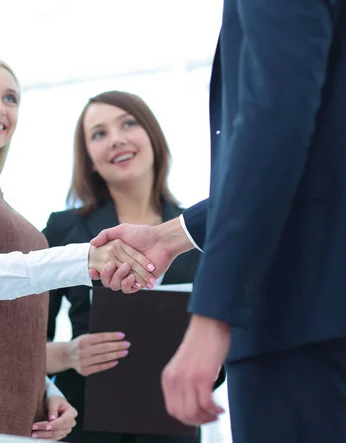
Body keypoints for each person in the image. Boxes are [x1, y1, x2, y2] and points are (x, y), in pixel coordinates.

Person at [90, 1, 346, 442]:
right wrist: (171, 237)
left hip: (291, 300)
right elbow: (332, 145)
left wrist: (214, 317)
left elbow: (275, 126)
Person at [0, 52, 156, 439]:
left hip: (20, 417)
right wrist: (84, 257)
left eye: (11, 98)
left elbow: (7, 330)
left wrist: (48, 391)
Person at [44, 91, 225, 443]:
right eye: (99, 134)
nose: (116, 139)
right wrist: (70, 353)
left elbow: (226, 334)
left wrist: (213, 363)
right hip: (84, 428)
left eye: (128, 123)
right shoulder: (63, 230)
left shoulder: (198, 232)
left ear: (152, 137)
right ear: (89, 160)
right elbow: (19, 347)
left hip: (172, 430)